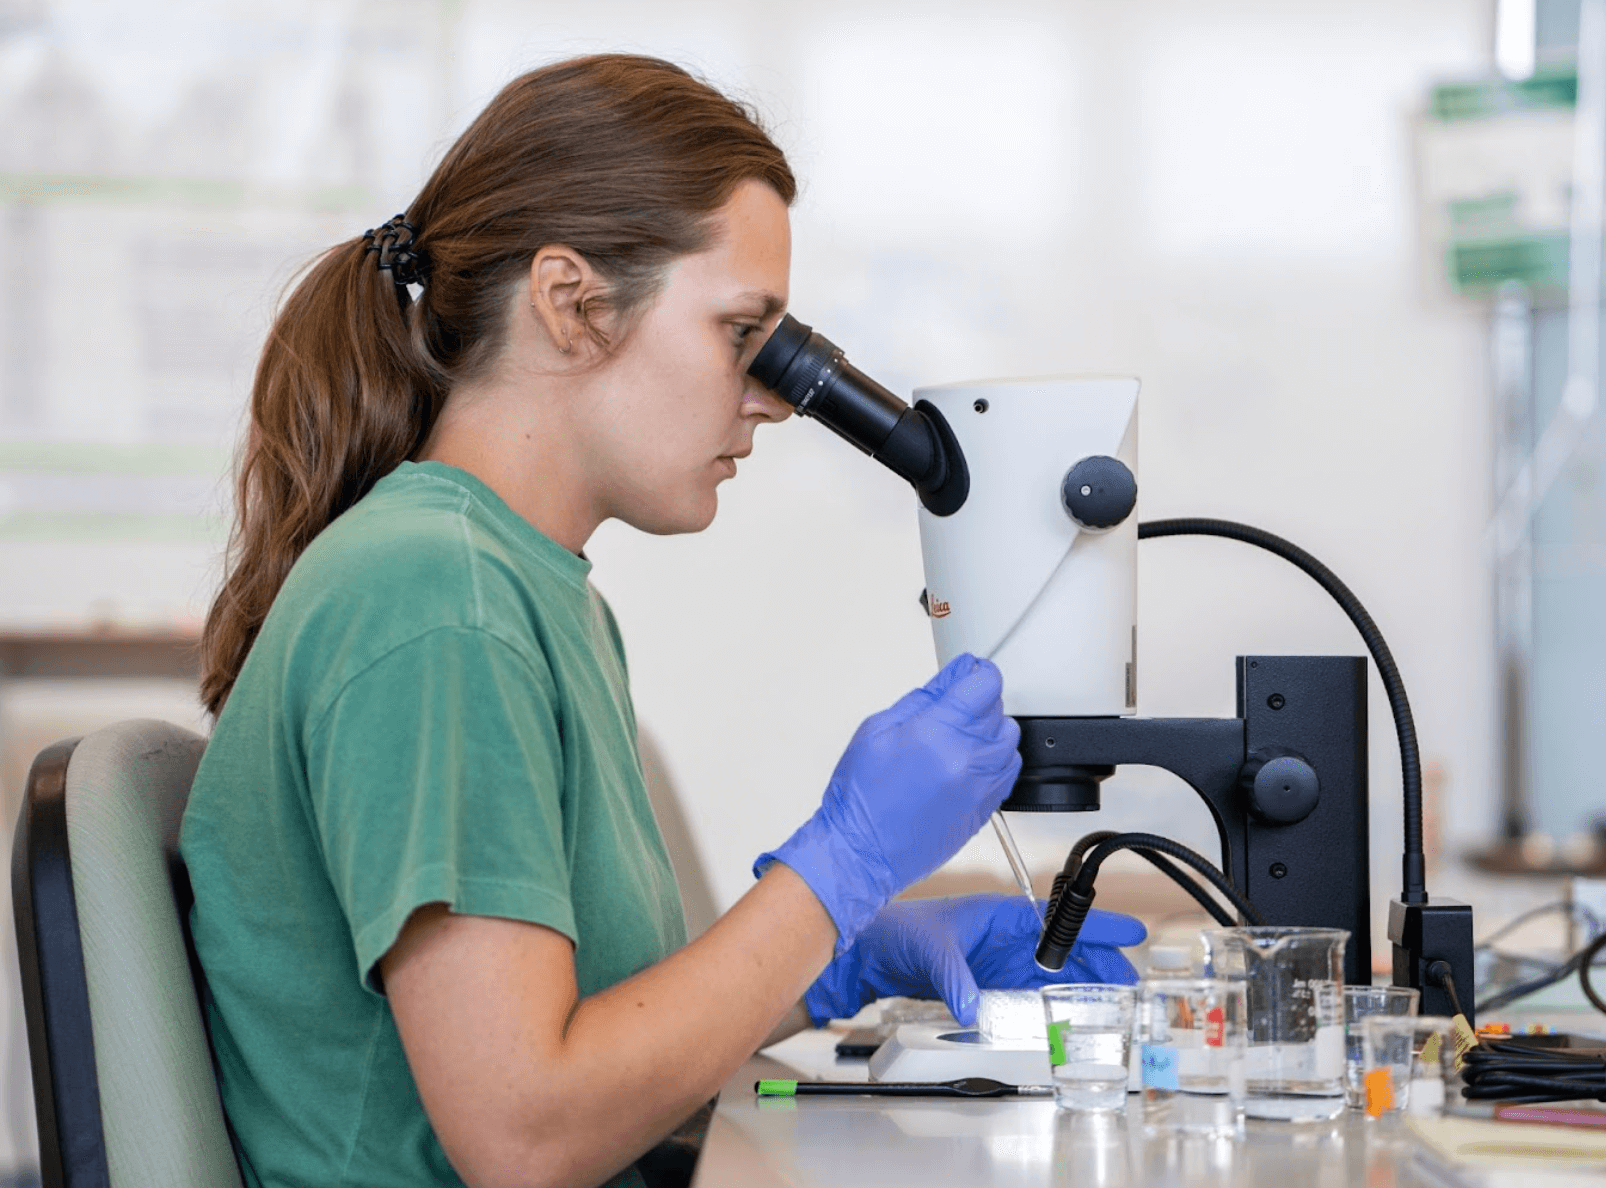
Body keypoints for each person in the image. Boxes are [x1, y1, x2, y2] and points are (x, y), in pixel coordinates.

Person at [181, 54, 1145, 1188]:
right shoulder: (439, 602)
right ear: (570, 302)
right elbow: (526, 1132)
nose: (781, 397)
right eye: (744, 334)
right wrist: (834, 874)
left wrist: (838, 963)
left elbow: (588, 1032)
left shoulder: (526, 586)